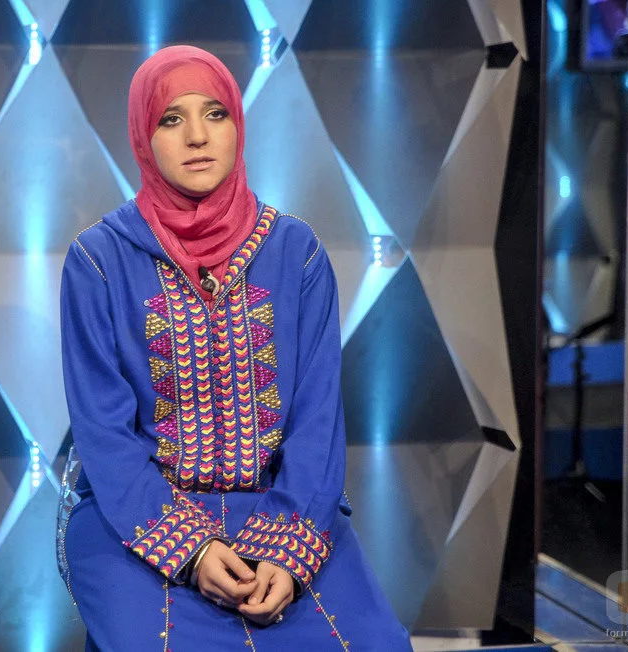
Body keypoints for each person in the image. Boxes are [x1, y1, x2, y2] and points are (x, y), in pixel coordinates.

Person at [58, 44, 412, 651]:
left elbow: (317, 423)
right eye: (171, 119)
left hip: (286, 508)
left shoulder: (297, 253)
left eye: (215, 113)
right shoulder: (97, 261)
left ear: (237, 126)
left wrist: (287, 553)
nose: (197, 136)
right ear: (143, 135)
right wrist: (193, 550)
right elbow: (104, 436)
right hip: (138, 518)